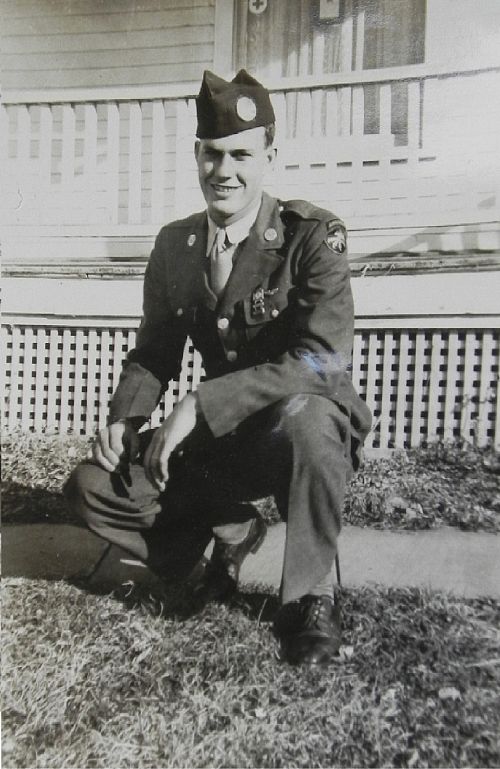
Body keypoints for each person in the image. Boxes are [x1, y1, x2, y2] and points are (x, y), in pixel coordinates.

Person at [65, 69, 371, 666]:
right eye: (211, 153)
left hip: (294, 430)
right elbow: (154, 351)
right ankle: (231, 529)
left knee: (310, 418)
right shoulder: (174, 244)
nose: (223, 171)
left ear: (269, 157)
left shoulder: (311, 236)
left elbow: (322, 360)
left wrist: (200, 402)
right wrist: (127, 419)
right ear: (196, 155)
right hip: (223, 443)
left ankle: (311, 596)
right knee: (90, 487)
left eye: (241, 155)